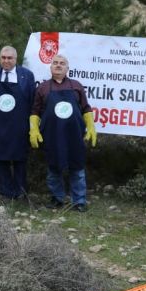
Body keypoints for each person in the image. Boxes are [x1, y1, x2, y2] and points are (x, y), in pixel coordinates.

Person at [31, 54, 96, 211]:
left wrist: (91, 126)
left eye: (62, 63)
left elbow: (86, 108)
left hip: (74, 135)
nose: (58, 65)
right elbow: (35, 111)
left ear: (67, 68)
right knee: (54, 168)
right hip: (52, 136)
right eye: (55, 63)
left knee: (77, 168)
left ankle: (79, 201)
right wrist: (33, 129)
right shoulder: (43, 88)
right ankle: (57, 198)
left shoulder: (76, 86)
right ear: (50, 67)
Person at [0, 46, 35, 202]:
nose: (6, 61)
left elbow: (32, 101)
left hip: (19, 124)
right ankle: (6, 191)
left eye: (9, 58)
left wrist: (31, 126)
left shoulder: (26, 75)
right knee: (0, 159)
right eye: (3, 58)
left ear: (16, 59)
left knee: (20, 158)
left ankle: (20, 191)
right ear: (0, 58)